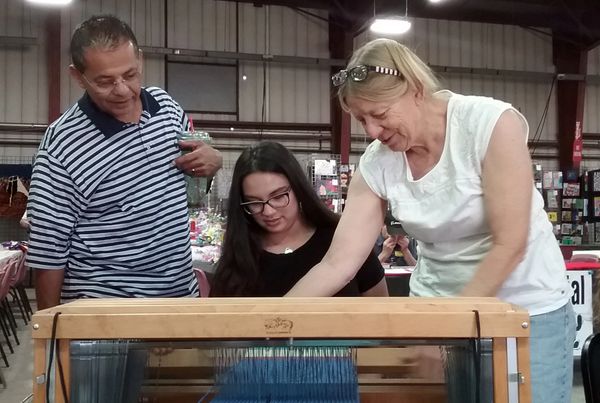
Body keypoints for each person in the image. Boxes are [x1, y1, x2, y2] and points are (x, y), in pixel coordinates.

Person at [286, 38, 575, 403]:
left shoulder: (489, 124)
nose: (372, 131)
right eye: (361, 119)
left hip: (524, 310)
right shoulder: (378, 162)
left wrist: (450, 327)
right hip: (438, 311)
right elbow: (337, 264)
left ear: (416, 89)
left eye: (380, 113)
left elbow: (510, 243)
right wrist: (272, 323)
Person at [26, 15, 223, 311]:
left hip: (179, 299)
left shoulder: (167, 108)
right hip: (106, 314)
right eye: (104, 81)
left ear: (140, 60)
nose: (122, 90)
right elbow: (48, 253)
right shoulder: (62, 146)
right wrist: (52, 339)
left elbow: (193, 180)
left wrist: (212, 160)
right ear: (78, 76)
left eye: (130, 75)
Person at [210, 141, 388, 297]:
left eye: (279, 196)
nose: (269, 211)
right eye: (254, 202)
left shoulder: (343, 241)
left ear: (298, 188)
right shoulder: (238, 259)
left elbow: (380, 312)